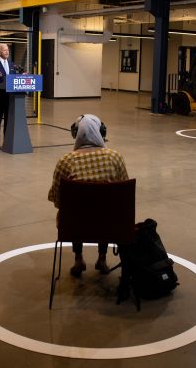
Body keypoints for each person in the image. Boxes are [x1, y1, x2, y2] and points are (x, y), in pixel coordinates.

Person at [48, 114, 129, 278]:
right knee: (107, 209)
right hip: (111, 225)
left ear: (75, 134)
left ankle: (78, 259)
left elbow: (58, 201)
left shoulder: (66, 161)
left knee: (71, 212)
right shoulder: (115, 157)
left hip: (74, 226)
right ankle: (102, 258)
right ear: (102, 133)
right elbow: (124, 197)